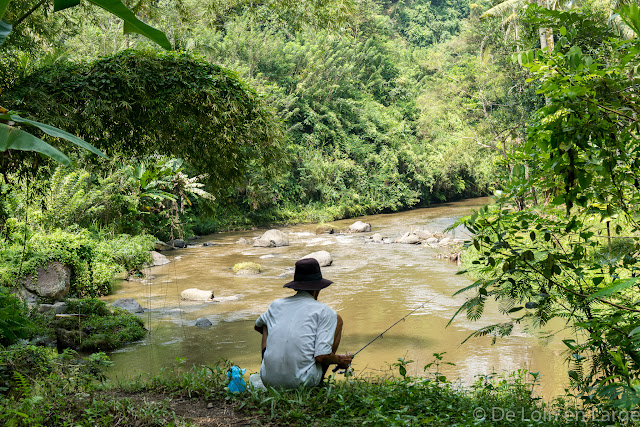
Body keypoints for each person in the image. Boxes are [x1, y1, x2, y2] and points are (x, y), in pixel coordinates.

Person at [254, 257, 352, 389]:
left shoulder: (276, 305)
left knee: (265, 323)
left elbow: (258, 326)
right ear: (318, 288)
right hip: (303, 383)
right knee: (337, 320)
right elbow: (322, 357)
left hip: (268, 381)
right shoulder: (325, 312)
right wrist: (339, 360)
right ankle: (319, 381)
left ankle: (271, 370)